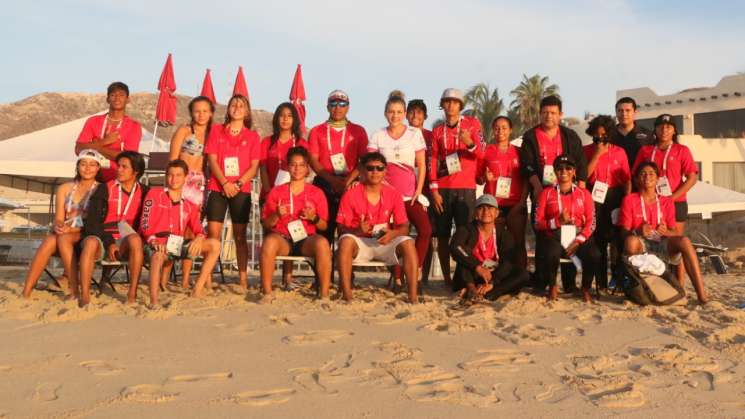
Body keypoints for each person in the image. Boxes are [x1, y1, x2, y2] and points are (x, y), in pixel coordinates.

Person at [521, 95, 588, 292]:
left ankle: (569, 284)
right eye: (545, 113)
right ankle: (544, 283)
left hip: (568, 194)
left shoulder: (570, 136)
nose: (548, 116)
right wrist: (539, 189)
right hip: (543, 194)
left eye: (553, 113)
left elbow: (581, 163)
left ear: (560, 115)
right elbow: (527, 166)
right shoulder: (530, 136)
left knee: (568, 235)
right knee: (543, 235)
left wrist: (581, 192)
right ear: (539, 114)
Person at [618, 162, 708, 304]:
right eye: (643, 174)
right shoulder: (629, 200)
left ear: (658, 178)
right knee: (630, 241)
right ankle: (638, 289)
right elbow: (622, 234)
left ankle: (702, 295)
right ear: (637, 179)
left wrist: (666, 231)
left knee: (684, 241)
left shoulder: (666, 201)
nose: (647, 176)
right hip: (641, 246)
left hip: (662, 243)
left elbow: (675, 232)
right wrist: (637, 231)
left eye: (651, 173)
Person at [368, 91, 431, 290]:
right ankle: (396, 278)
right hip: (387, 196)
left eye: (398, 112)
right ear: (386, 113)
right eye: (391, 112)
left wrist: (418, 191)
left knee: (425, 230)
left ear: (404, 113)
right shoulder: (378, 135)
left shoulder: (415, 134)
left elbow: (421, 165)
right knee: (393, 235)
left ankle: (415, 270)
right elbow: (370, 164)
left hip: (410, 196)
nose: (395, 115)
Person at [336, 152, 419, 303]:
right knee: (346, 241)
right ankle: (347, 295)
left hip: (384, 241)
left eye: (379, 168)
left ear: (385, 171)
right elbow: (340, 228)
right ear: (362, 170)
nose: (375, 172)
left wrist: (393, 233)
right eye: (370, 168)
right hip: (360, 242)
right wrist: (358, 231)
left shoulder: (393, 193)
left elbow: (404, 227)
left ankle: (413, 297)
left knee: (408, 242)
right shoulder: (350, 194)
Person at [22, 150, 103, 298]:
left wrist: (70, 229)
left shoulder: (101, 189)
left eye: (92, 165)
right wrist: (58, 225)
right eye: (83, 164)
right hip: (65, 233)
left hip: (86, 234)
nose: (87, 168)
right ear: (77, 166)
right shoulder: (65, 188)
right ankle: (26, 290)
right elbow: (59, 217)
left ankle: (74, 288)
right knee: (50, 240)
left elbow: (97, 222)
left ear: (98, 168)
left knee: (61, 237)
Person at [140, 160, 221, 307]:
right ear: (166, 177)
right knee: (158, 256)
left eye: (178, 175)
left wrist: (200, 237)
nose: (174, 179)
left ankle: (197, 289)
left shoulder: (189, 205)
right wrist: (153, 241)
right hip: (156, 242)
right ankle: (154, 301)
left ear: (185, 178)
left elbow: (198, 229)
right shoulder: (154, 194)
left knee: (215, 245)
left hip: (175, 244)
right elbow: (145, 223)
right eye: (170, 175)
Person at [632, 114, 698, 286]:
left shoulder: (682, 150)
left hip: (676, 203)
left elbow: (692, 178)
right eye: (661, 126)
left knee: (677, 244)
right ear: (655, 129)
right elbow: (635, 175)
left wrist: (671, 198)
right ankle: (655, 282)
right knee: (652, 240)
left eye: (668, 127)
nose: (664, 130)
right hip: (650, 203)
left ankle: (679, 284)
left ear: (674, 130)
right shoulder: (645, 150)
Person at [204, 94, 261, 290]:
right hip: (217, 186)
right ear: (228, 109)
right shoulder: (217, 131)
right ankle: (208, 278)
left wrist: (236, 184)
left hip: (241, 188)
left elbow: (254, 167)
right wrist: (224, 183)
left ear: (246, 112)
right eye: (233, 104)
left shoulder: (253, 136)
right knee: (213, 234)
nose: (237, 107)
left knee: (240, 236)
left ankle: (243, 279)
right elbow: (211, 160)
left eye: (241, 105)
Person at [259, 147, 332, 302]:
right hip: (283, 239)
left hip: (306, 239)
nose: (297, 168)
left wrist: (313, 218)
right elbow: (266, 223)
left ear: (307, 169)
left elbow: (324, 226)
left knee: (323, 244)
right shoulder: (276, 192)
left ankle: (324, 295)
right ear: (287, 167)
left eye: (301, 165)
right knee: (269, 242)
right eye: (293, 164)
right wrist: (277, 215)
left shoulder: (317, 193)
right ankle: (267, 293)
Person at [78, 151, 148, 307]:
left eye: (124, 167)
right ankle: (85, 296)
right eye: (118, 166)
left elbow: (148, 221)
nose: (119, 170)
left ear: (135, 171)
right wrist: (109, 242)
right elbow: (92, 223)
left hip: (125, 238)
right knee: (89, 243)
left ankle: (132, 293)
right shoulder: (105, 188)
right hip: (102, 236)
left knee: (136, 239)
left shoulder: (144, 191)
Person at [429, 88, 483, 287]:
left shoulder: (473, 125)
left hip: (466, 188)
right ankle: (446, 278)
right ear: (442, 104)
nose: (451, 105)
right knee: (442, 237)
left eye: (455, 102)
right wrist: (434, 190)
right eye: (447, 102)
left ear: (461, 105)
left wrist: (470, 144)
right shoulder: (436, 130)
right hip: (443, 190)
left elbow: (483, 154)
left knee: (465, 237)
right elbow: (432, 160)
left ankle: (463, 278)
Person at [534, 155, 600, 302]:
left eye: (568, 168)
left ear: (574, 172)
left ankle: (585, 288)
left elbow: (591, 222)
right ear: (555, 172)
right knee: (551, 252)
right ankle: (552, 286)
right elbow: (538, 223)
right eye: (560, 168)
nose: (564, 171)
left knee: (594, 254)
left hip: (578, 235)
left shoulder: (585, 194)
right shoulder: (546, 193)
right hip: (555, 235)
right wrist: (557, 221)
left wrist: (578, 240)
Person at [308, 90, 369, 244]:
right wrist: (332, 181)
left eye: (342, 104)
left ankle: (346, 267)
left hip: (350, 184)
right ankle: (323, 268)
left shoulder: (358, 131)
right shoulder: (317, 130)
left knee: (348, 231)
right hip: (324, 182)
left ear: (348, 107)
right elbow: (313, 160)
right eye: (333, 104)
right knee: (323, 232)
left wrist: (347, 181)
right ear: (327, 107)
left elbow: (364, 160)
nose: (338, 107)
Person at [260, 103, 309, 289]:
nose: (285, 119)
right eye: (281, 115)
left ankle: (288, 278)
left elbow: (307, 169)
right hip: (271, 192)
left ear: (295, 119)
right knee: (270, 234)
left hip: (294, 194)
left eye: (289, 115)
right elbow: (262, 168)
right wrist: (267, 191)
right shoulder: (267, 142)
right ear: (276, 119)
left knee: (291, 232)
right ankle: (268, 279)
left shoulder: (301, 143)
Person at [167, 95, 214, 288]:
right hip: (183, 182)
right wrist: (171, 188)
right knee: (179, 229)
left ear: (211, 113)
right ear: (191, 113)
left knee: (196, 231)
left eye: (205, 111)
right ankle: (175, 275)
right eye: (197, 110)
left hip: (202, 185)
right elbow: (172, 161)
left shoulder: (214, 134)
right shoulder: (185, 131)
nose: (201, 114)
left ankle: (194, 278)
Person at [449, 194, 530, 304]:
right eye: (481, 208)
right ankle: (471, 289)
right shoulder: (466, 229)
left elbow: (508, 262)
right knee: (464, 254)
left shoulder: (504, 234)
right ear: (475, 213)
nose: (486, 211)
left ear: (496, 213)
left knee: (523, 274)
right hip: (472, 275)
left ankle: (489, 293)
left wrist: (492, 283)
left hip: (493, 275)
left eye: (490, 208)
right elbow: (455, 247)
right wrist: (477, 266)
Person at [583, 115, 631, 292]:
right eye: (597, 136)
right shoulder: (586, 150)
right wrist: (597, 154)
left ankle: (617, 280)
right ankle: (601, 282)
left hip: (615, 195)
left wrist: (626, 200)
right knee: (598, 241)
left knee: (617, 240)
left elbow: (626, 179)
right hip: (594, 195)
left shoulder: (620, 152)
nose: (600, 139)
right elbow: (584, 176)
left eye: (604, 136)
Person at [477, 116, 528, 268]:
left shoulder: (519, 152)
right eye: (497, 128)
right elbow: (478, 179)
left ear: (511, 130)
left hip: (515, 204)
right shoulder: (486, 151)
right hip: (493, 205)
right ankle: (495, 274)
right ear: (493, 131)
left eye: (504, 128)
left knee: (518, 242)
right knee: (495, 242)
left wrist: (522, 202)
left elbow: (526, 179)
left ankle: (520, 275)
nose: (501, 131)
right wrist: (484, 177)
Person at [75, 82, 142, 182]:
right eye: (113, 95)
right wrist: (104, 142)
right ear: (107, 99)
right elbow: (78, 149)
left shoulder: (134, 126)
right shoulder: (93, 121)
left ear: (128, 100)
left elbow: (129, 159)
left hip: (117, 179)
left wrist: (96, 147)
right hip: (91, 178)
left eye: (121, 95)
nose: (117, 98)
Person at [406, 99, 437, 284]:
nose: (415, 116)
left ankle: (422, 276)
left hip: (427, 190)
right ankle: (399, 276)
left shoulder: (431, 136)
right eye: (412, 112)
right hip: (405, 191)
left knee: (427, 232)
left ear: (425, 116)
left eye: (419, 113)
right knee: (401, 233)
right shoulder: (401, 134)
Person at [612, 97, 653, 168]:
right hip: (614, 177)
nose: (624, 114)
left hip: (639, 177)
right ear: (616, 113)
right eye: (620, 110)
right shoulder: (608, 134)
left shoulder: (647, 135)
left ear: (635, 112)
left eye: (628, 110)